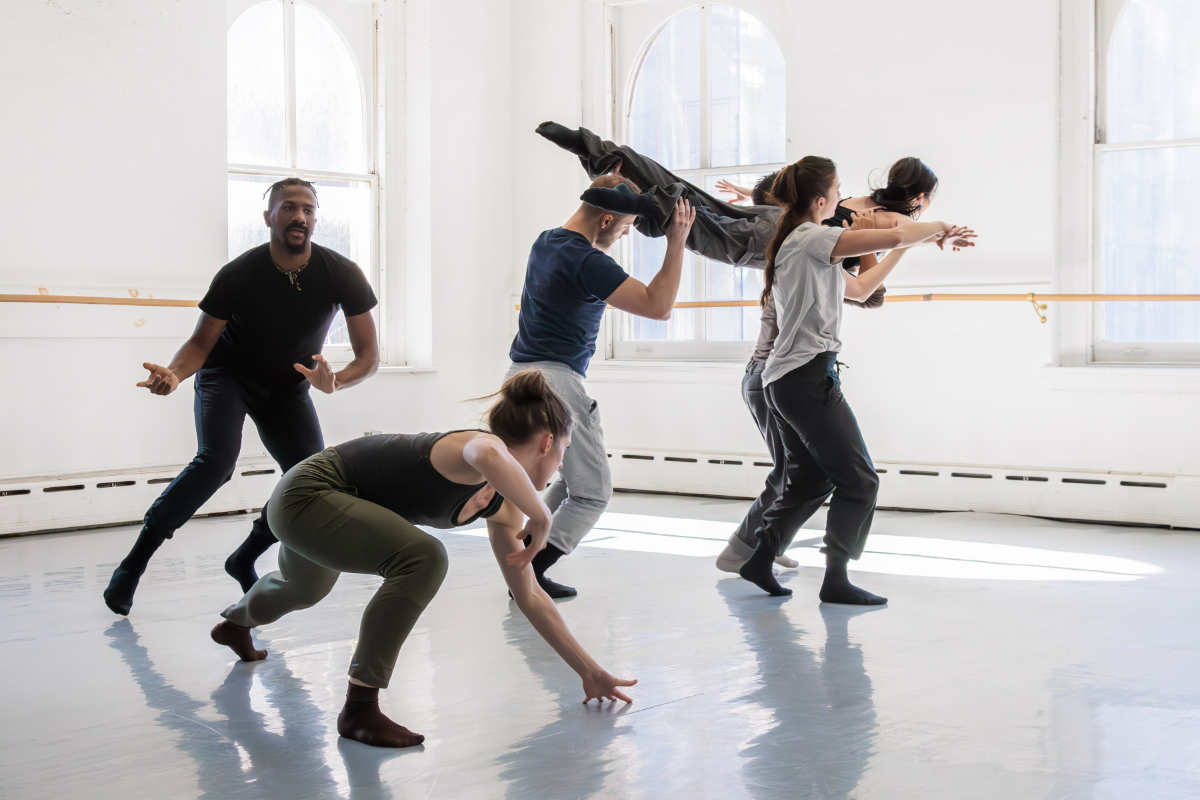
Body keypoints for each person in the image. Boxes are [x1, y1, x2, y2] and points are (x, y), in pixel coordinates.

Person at [210, 370, 638, 748]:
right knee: (424, 557)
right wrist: (543, 512)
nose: (559, 467)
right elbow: (490, 456)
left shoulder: (505, 507)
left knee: (304, 588)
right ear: (547, 443)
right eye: (563, 453)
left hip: (330, 510)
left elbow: (529, 596)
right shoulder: (478, 447)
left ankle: (235, 623)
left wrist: (589, 670)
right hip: (308, 493)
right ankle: (360, 709)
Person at [103, 178, 380, 616]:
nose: (300, 217)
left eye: (308, 209)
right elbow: (199, 345)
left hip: (287, 386)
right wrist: (174, 376)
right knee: (217, 461)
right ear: (268, 216)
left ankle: (246, 555)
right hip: (226, 375)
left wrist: (337, 381)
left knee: (311, 478)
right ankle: (133, 564)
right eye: (289, 207)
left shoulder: (340, 273)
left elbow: (368, 356)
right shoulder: (239, 274)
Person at [737, 157, 975, 603]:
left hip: (789, 379)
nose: (848, 198)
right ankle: (836, 580)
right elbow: (899, 231)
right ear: (821, 200)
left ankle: (759, 558)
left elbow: (864, 290)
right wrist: (936, 228)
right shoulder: (815, 238)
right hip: (804, 378)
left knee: (812, 479)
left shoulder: (803, 245)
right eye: (839, 188)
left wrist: (907, 246)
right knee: (860, 480)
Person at [505, 174, 696, 599]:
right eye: (626, 228)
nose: (624, 236)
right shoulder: (587, 262)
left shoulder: (546, 241)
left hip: (519, 372)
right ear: (607, 219)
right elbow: (659, 306)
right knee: (593, 493)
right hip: (555, 381)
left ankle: (524, 561)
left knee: (570, 483)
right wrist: (676, 242)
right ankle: (530, 573)